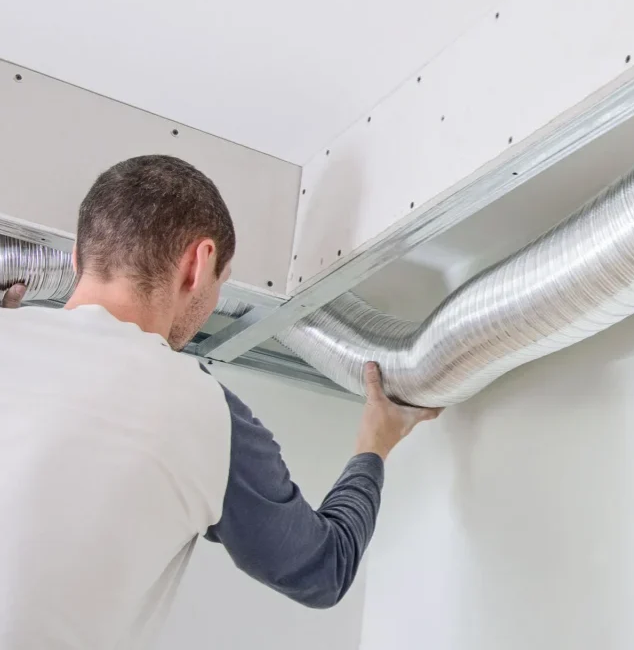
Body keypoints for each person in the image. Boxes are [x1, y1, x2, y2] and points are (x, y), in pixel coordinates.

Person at [0, 155, 440, 649]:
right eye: (221, 284)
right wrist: (373, 446)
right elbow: (323, 569)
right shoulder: (205, 412)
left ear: (79, 257)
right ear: (199, 262)